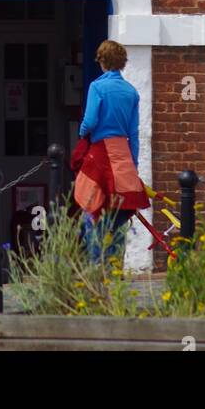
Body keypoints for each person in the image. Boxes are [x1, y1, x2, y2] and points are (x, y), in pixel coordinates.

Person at [72, 39, 148, 262]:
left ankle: (96, 263)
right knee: (119, 211)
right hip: (122, 154)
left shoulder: (97, 87)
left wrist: (82, 132)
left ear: (102, 62)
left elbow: (91, 120)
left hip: (100, 154)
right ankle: (114, 264)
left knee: (91, 206)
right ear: (122, 63)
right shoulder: (131, 92)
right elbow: (133, 133)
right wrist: (132, 164)